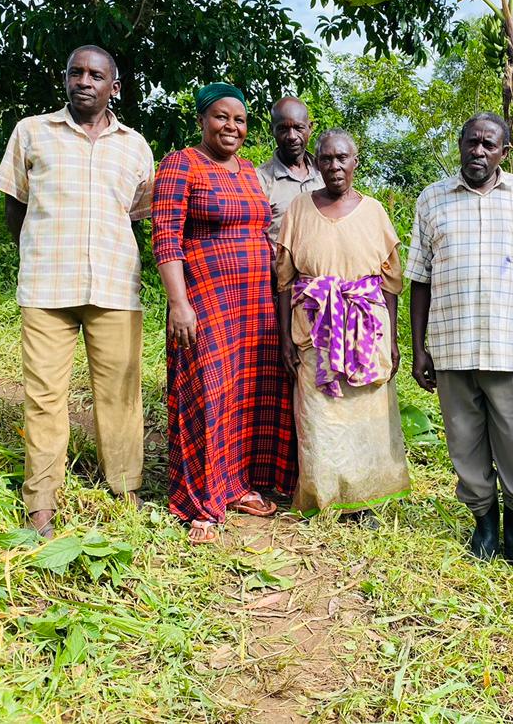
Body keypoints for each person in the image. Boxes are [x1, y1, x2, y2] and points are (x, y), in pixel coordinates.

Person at [0, 45, 153, 538]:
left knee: (120, 395)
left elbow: (136, 215)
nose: (84, 80)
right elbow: (15, 206)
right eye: (76, 72)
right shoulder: (32, 132)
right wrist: (38, 253)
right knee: (44, 396)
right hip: (47, 284)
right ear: (65, 80)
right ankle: (41, 501)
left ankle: (125, 489)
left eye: (96, 74)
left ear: (114, 87)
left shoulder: (136, 146)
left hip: (114, 286)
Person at [407, 112, 513, 581]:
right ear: (459, 144)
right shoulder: (432, 199)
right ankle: (484, 530)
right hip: (452, 348)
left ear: (503, 151)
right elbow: (420, 280)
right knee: (465, 445)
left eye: (489, 145)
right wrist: (420, 349)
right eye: (471, 141)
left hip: (508, 348)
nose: (479, 151)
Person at [152, 83, 297, 545]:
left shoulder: (250, 170)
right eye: (221, 116)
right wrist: (179, 303)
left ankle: (236, 485)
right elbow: (166, 237)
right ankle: (200, 501)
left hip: (254, 304)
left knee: (246, 395)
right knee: (208, 394)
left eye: (239, 119)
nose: (231, 126)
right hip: (206, 303)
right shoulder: (181, 164)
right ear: (201, 120)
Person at [276, 129, 409, 521]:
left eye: (342, 158)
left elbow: (390, 281)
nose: (334, 166)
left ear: (355, 163)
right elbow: (284, 279)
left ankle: (366, 498)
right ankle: (323, 494)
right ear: (316, 164)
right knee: (319, 414)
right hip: (313, 328)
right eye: (327, 159)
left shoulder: (374, 212)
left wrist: (394, 341)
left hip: (366, 330)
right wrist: (285, 337)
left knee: (365, 414)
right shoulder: (299, 209)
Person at [255, 96, 324, 248]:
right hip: (279, 270)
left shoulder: (325, 173)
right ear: (271, 130)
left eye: (298, 128)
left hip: (327, 270)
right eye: (283, 129)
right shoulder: (258, 180)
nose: (292, 136)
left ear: (310, 128)